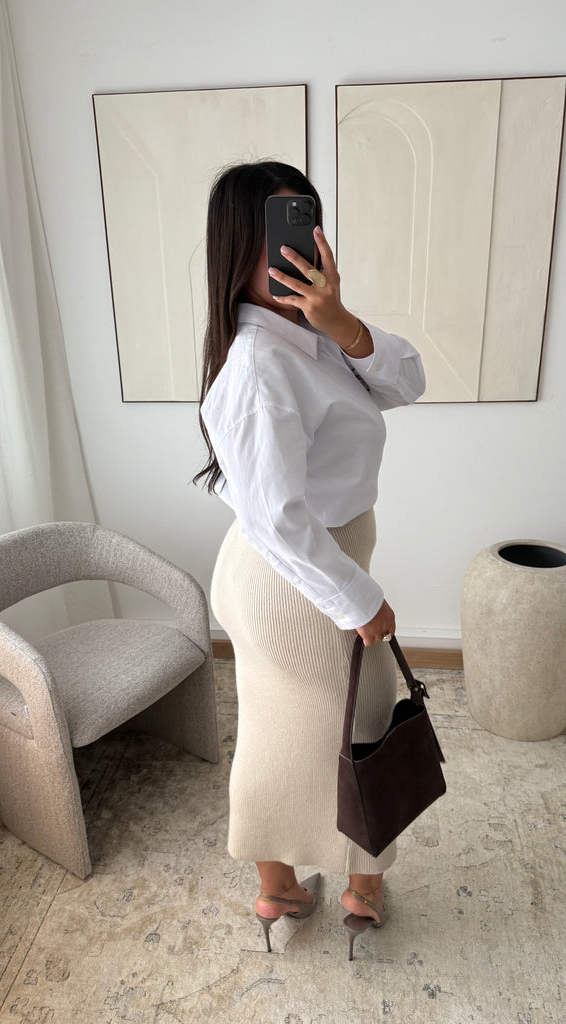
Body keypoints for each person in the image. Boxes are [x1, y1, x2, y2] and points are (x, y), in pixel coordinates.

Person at [194, 160, 425, 954]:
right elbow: (276, 520)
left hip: (299, 569)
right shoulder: (260, 364)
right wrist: (360, 599)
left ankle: (280, 891)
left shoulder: (312, 336)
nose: (298, 250)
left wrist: (341, 321)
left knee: (282, 733)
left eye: (308, 226)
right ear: (238, 248)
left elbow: (408, 380)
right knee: (362, 724)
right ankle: (359, 887)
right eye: (277, 233)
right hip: (299, 577)